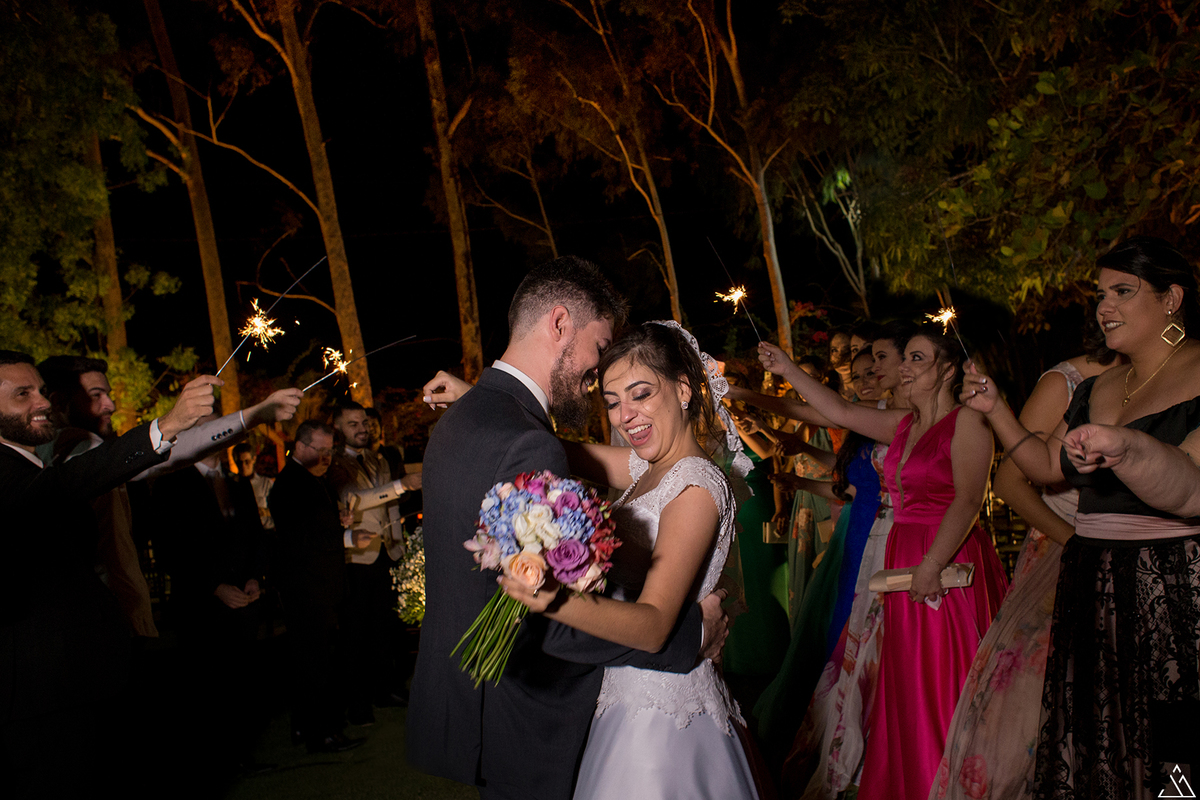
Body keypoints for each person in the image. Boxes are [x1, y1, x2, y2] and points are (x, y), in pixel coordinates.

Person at [407, 257, 728, 800]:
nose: (603, 383)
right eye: (601, 351)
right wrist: (688, 638)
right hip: (529, 714)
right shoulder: (526, 440)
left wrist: (474, 394)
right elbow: (548, 621)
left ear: (683, 389)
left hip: (482, 707)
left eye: (640, 392)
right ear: (560, 324)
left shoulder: (463, 423)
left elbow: (597, 460)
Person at [961, 235, 1200, 799]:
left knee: (1175, 737)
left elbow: (1192, 489)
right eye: (1100, 294)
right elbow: (1045, 468)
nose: (1103, 307)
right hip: (1093, 580)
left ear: (1172, 299)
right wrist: (997, 411)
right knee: (1102, 728)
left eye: (1122, 291)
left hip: (1170, 580)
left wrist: (1131, 448)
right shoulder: (1099, 385)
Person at [500, 321, 759, 800]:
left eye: (641, 394)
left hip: (660, 717)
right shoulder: (647, 469)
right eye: (614, 401)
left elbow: (656, 625)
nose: (626, 416)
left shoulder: (696, 487)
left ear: (683, 389)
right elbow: (562, 451)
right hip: (623, 690)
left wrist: (550, 600)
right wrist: (488, 405)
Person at [760, 326, 1008, 800]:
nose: (903, 368)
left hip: (947, 556)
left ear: (948, 369)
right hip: (901, 553)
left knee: (945, 677)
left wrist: (932, 566)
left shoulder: (969, 423)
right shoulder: (903, 424)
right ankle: (914, 777)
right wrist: (787, 369)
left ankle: (953, 781)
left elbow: (969, 499)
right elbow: (840, 411)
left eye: (918, 359)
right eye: (907, 358)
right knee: (908, 678)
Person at [0, 351, 217, 798]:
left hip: (78, 675)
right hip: (41, 692)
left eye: (40, 390)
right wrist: (166, 426)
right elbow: (63, 488)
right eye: (23, 394)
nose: (42, 401)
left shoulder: (31, 462)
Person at [930, 348, 1113, 800]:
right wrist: (1075, 543)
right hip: (1062, 550)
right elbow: (1010, 481)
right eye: (1105, 295)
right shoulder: (1069, 383)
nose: (1108, 308)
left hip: (1130, 554)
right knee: (1035, 700)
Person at [786, 322, 915, 797]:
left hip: (904, 537)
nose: (872, 369)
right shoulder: (879, 413)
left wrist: (785, 367)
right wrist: (749, 394)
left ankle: (895, 750)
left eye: (881, 359)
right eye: (869, 360)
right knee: (852, 641)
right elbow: (820, 412)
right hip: (867, 531)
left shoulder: (924, 419)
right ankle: (853, 748)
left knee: (893, 649)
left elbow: (831, 409)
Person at [268, 420, 366, 754]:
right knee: (315, 664)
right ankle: (321, 732)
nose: (326, 458)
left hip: (319, 588)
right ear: (300, 446)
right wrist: (341, 533)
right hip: (307, 591)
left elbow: (315, 527)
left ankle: (304, 725)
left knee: (314, 662)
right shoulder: (289, 485)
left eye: (329, 451)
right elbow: (301, 541)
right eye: (320, 450)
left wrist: (337, 520)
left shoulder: (311, 481)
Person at [327, 401, 420, 725]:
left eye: (364, 422)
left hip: (386, 553)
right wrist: (399, 485)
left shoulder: (378, 458)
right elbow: (354, 498)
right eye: (353, 424)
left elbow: (392, 508)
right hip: (355, 556)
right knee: (355, 635)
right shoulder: (334, 464)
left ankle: (384, 689)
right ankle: (357, 703)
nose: (362, 428)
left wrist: (400, 544)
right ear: (337, 429)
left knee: (384, 629)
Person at [233, 442, 275, 530]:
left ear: (254, 459)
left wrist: (264, 512)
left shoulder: (266, 483)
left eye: (247, 462)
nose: (243, 466)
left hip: (266, 532)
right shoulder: (232, 485)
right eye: (239, 462)